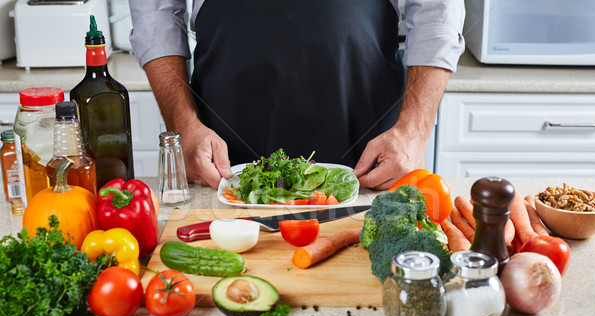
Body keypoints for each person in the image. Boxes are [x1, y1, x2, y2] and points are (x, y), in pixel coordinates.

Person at [129, 0, 465, 190]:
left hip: (372, 154)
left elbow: (438, 9)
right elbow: (154, 13)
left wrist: (412, 132)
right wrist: (183, 126)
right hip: (221, 157)